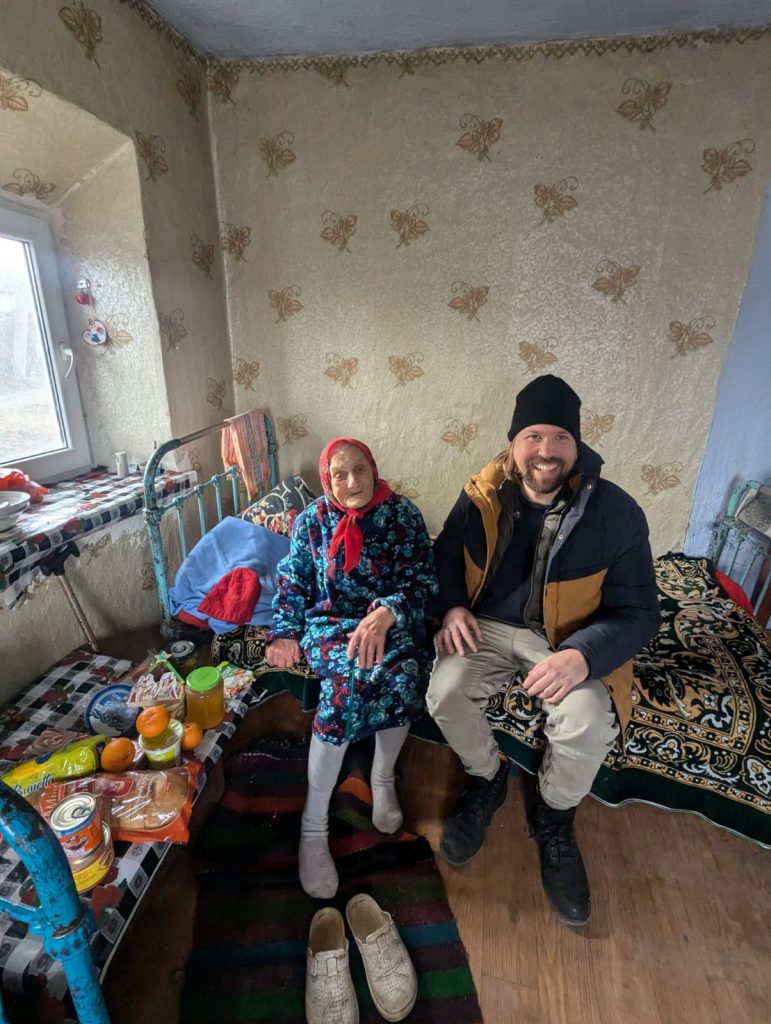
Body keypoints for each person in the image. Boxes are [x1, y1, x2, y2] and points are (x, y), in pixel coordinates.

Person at [426, 374, 660, 926]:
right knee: (444, 691)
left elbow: (641, 612)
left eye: (559, 437)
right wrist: (454, 606)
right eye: (533, 435)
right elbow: (445, 554)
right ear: (514, 442)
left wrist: (582, 655)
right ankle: (487, 780)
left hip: (565, 639)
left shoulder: (616, 513)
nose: (545, 451)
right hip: (485, 626)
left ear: (576, 446)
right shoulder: (482, 491)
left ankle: (555, 817)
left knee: (585, 720)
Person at [266, 437, 437, 899]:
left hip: (389, 619)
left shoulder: (403, 516)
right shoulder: (313, 521)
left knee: (403, 674)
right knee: (348, 680)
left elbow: (422, 581)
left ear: (374, 469)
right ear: (327, 480)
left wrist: (385, 613)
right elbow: (294, 578)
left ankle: (382, 778)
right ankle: (314, 825)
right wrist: (284, 630)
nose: (352, 481)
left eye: (360, 470)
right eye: (339, 474)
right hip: (332, 624)